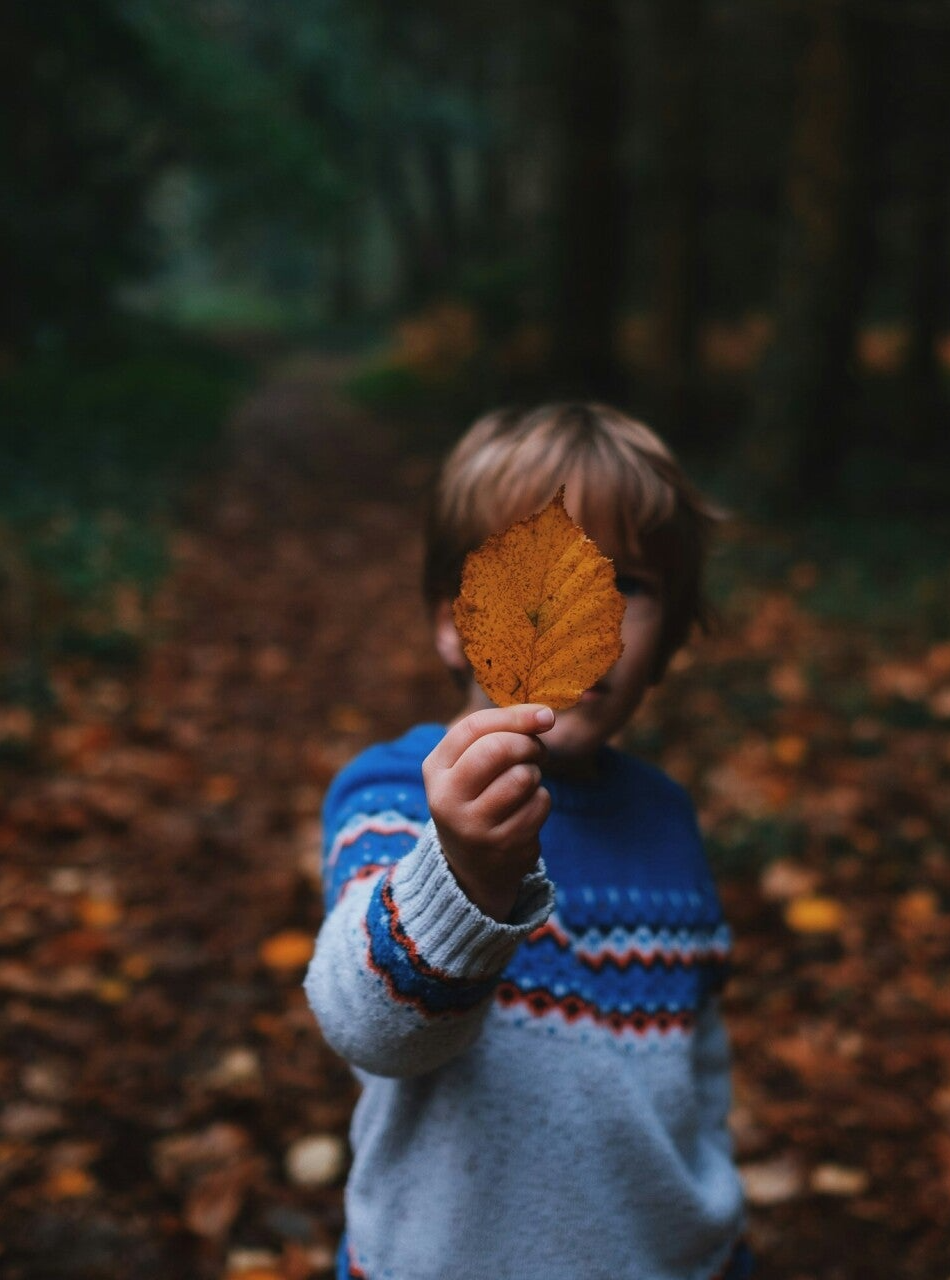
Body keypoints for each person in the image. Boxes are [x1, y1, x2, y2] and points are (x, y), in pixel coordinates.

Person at [304, 403, 752, 1280]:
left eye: (629, 584)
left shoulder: (666, 820)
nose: (589, 615)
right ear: (453, 620)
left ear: (668, 640)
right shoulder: (398, 797)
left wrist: (716, 1233)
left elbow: (699, 1076)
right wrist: (464, 874)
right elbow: (371, 1028)